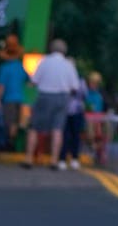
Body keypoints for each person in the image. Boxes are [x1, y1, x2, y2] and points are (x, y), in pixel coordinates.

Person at [21, 38, 79, 170]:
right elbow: (74, 86)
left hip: (44, 96)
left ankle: (29, 158)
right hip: (62, 97)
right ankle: (54, 160)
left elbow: (34, 81)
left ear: (51, 48)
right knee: (57, 129)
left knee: (34, 127)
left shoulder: (44, 62)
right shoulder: (68, 64)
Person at [0, 34, 27, 151]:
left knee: (9, 122)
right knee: (16, 122)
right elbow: (28, 81)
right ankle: (11, 142)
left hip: (8, 99)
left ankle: (8, 143)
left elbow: (0, 86)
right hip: (20, 98)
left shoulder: (4, 68)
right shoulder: (21, 67)